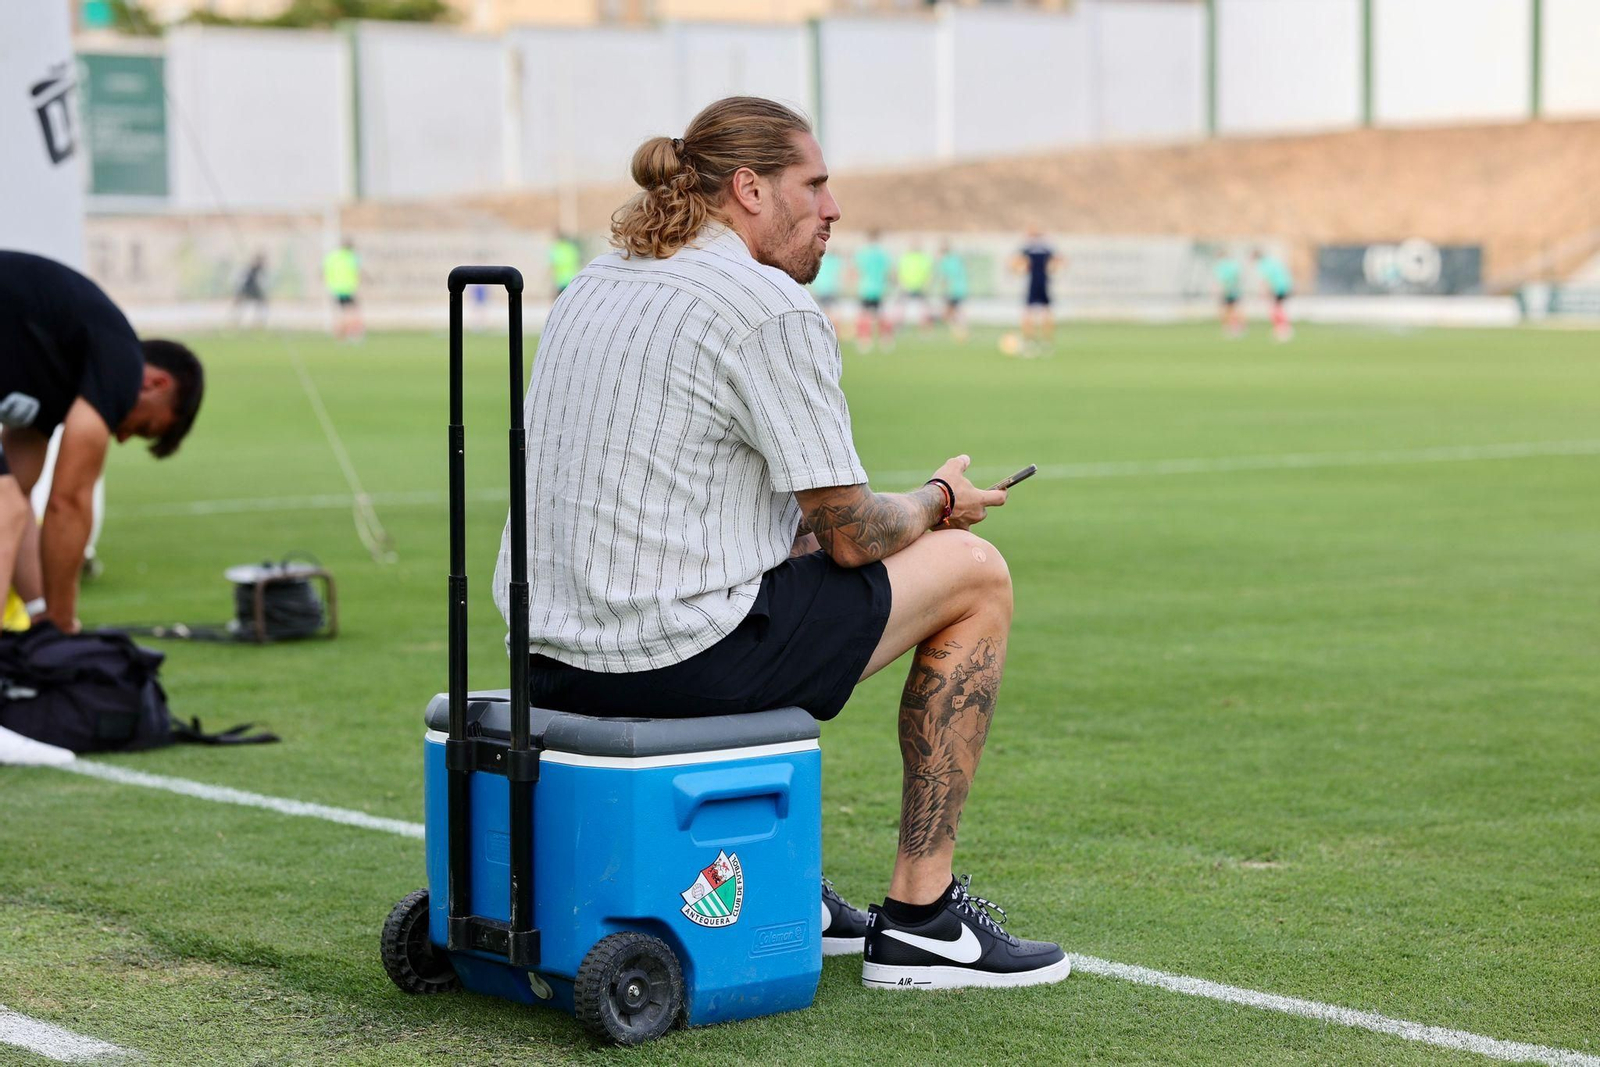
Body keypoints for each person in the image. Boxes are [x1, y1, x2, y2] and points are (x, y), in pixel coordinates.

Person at [493, 96, 1069, 991]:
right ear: (751, 189)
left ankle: (783, 886)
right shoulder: (764, 304)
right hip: (679, 661)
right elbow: (851, 535)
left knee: (779, 565)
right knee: (975, 576)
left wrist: (894, 511)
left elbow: (705, 506)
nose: (834, 208)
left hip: (546, 658)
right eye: (817, 183)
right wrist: (938, 499)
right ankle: (922, 918)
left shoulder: (597, 282)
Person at [0, 250, 204, 634]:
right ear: (155, 384)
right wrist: (63, 625)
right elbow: (68, 501)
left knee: (10, 499)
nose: (122, 437)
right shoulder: (122, 362)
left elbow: (21, 495)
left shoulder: (51, 379)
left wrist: (43, 611)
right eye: (144, 429)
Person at [1013, 228, 1058, 354]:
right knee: (1045, 312)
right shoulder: (1046, 248)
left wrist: (1018, 270)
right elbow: (1057, 261)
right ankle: (1046, 343)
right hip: (1044, 282)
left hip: (1033, 283)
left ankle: (1029, 342)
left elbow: (1016, 263)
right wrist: (1052, 269)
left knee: (1029, 312)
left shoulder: (1028, 248)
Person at [852, 231, 894, 353]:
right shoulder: (883, 254)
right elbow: (889, 271)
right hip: (880, 288)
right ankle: (885, 340)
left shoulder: (863, 253)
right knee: (881, 315)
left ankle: (865, 341)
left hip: (865, 288)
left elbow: (857, 270)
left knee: (864, 315)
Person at [323, 238, 363, 341]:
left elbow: (325, 270)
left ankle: (339, 335)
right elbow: (358, 271)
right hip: (348, 288)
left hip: (335, 288)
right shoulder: (351, 257)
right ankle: (352, 334)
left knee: (340, 312)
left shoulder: (333, 257)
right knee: (351, 312)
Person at [1253, 248, 1294, 342]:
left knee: (1276, 309)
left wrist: (1264, 292)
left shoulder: (1263, 265)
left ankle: (1283, 329)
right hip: (1284, 286)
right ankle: (1282, 328)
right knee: (1278, 308)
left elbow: (1266, 279)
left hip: (1278, 288)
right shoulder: (1271, 262)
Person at [896, 242, 934, 332]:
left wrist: (901, 282)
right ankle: (925, 328)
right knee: (922, 307)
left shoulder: (906, 257)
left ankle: (924, 327)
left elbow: (900, 271)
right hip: (917, 285)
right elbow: (929, 273)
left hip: (910, 286)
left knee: (904, 306)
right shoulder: (923, 258)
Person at [936, 242, 969, 342]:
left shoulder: (945, 261)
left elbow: (945, 278)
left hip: (952, 290)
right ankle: (961, 328)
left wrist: (943, 290)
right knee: (954, 311)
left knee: (949, 312)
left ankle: (959, 330)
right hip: (961, 289)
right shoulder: (956, 259)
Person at [233, 252, 268, 330]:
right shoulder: (252, 268)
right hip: (248, 288)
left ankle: (258, 322)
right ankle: (236, 321)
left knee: (260, 305)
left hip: (254, 289)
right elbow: (245, 278)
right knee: (240, 305)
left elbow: (260, 281)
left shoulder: (259, 269)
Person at [1214, 251, 1243, 337]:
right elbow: (1237, 277)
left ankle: (1229, 327)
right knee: (1233, 309)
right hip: (1234, 290)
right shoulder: (1233, 265)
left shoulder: (1220, 266)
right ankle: (1236, 326)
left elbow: (1221, 280)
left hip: (1227, 291)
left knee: (1226, 310)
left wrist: (1220, 290)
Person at [548, 231, 582, 298]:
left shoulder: (557, 249)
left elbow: (552, 265)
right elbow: (577, 262)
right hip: (572, 279)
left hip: (560, 281)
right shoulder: (571, 248)